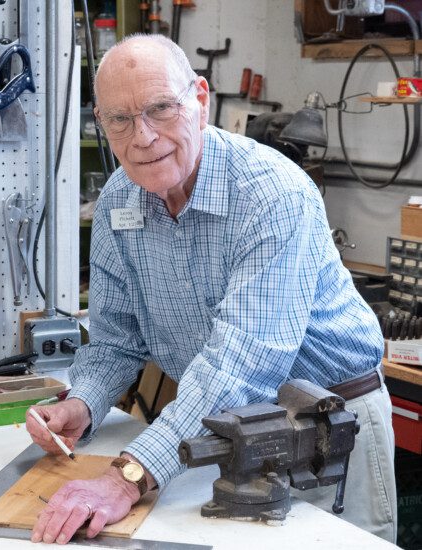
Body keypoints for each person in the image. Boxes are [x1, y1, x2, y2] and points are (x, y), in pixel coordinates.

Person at [26, 34, 396, 545]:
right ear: (101, 123)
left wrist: (127, 475)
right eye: (120, 119)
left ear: (200, 101)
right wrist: (83, 403)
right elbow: (116, 339)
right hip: (223, 430)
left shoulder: (271, 194)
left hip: (325, 433)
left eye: (161, 109)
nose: (144, 137)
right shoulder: (118, 200)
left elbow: (242, 362)